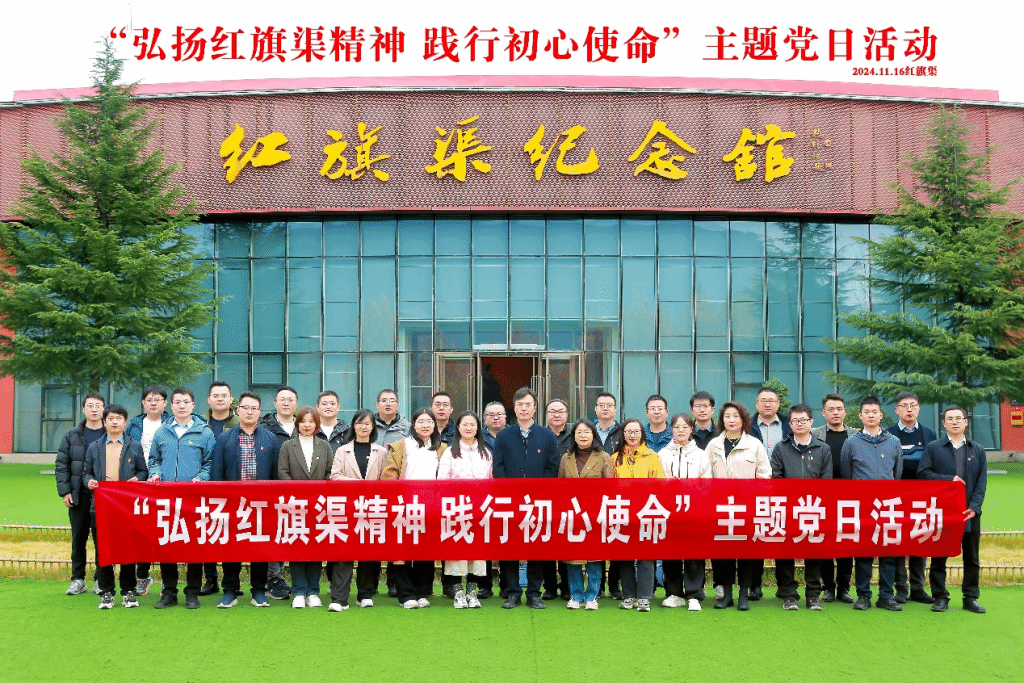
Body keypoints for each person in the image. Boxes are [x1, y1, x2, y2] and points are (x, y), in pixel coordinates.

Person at [210, 391, 281, 609]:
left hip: (261, 503)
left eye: (254, 408)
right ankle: (230, 590)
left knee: (260, 547)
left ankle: (258, 591)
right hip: (232, 502)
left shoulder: (270, 438)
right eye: (245, 408)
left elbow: (276, 474)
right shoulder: (224, 438)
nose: (249, 412)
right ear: (238, 410)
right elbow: (217, 472)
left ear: (259, 412)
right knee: (231, 546)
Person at [148, 386, 216, 609]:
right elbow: (154, 460)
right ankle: (169, 592)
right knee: (167, 545)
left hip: (194, 498)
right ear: (171, 406)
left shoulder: (204, 433)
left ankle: (192, 592)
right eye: (177, 402)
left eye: (186, 402)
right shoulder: (162, 432)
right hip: (166, 498)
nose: (182, 406)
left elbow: (210, 462)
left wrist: (201, 478)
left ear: (193, 405)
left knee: (194, 546)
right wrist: (155, 473)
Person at [492, 387, 559, 610]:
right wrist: (509, 491)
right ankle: (513, 592)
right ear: (514, 407)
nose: (523, 408)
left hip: (538, 500)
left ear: (534, 408)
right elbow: (498, 467)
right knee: (510, 546)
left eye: (528, 404)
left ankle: (533, 593)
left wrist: (538, 490)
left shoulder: (547, 436)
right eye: (519, 404)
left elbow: (552, 467)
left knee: (535, 547)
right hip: (510, 500)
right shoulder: (504, 436)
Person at [919, 406, 987, 614]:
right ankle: (940, 596)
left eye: (959, 418)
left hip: (969, 512)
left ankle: (970, 597)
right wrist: (949, 480)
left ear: (966, 422)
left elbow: (981, 482)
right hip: (943, 511)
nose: (955, 422)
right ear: (944, 423)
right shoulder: (934, 447)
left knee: (971, 557)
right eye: (950, 419)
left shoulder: (977, 449)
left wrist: (974, 507)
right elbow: (924, 473)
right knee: (939, 555)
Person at [841, 396, 904, 612]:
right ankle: (863, 595)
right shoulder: (851, 443)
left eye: (874, 412)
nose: (870, 415)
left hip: (888, 504)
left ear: (881, 415)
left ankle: (886, 596)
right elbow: (847, 474)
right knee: (864, 551)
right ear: (860, 416)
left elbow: (897, 473)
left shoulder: (893, 442)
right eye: (866, 412)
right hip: (863, 505)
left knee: (888, 553)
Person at [706, 401, 770, 611]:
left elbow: (764, 474)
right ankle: (726, 595)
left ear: (743, 420)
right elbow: (705, 475)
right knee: (723, 553)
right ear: (721, 420)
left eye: (735, 416)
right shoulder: (713, 445)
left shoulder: (755, 444)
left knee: (746, 553)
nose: (731, 420)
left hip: (747, 506)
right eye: (727, 416)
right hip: (721, 507)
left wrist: (754, 498)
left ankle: (744, 594)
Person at [381, 408, 448, 609]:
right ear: (413, 424)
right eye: (421, 421)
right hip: (404, 505)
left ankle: (421, 591)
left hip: (431, 506)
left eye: (429, 422)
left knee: (425, 550)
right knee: (402, 551)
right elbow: (389, 476)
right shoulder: (401, 446)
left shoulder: (442, 448)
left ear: (434, 425)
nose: (425, 425)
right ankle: (406, 594)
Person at [84, 404, 148, 609]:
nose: (114, 422)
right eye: (110, 418)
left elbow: (143, 472)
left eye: (119, 418)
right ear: (104, 422)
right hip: (101, 505)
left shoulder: (134, 445)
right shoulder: (94, 447)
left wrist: (138, 479)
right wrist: (89, 482)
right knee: (103, 549)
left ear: (125, 422)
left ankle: (128, 591)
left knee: (128, 548)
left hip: (126, 506)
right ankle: (107, 592)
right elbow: (86, 473)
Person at [770, 403, 832, 611]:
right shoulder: (781, 448)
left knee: (814, 551)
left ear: (811, 422)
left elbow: (826, 481)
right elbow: (776, 478)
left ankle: (813, 594)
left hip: (814, 508)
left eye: (803, 420)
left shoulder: (823, 448)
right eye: (795, 421)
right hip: (788, 508)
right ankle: (789, 593)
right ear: (790, 424)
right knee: (785, 551)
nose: (799, 424)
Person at [329, 409, 389, 610]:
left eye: (367, 424)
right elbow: (335, 476)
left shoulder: (381, 452)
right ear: (353, 426)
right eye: (359, 423)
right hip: (347, 507)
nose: (363, 427)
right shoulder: (342, 450)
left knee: (369, 552)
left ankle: (365, 593)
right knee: (343, 552)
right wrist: (358, 485)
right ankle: (339, 598)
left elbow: (385, 479)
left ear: (373, 427)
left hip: (372, 508)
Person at [279, 406, 334, 609]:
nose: (307, 425)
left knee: (315, 549)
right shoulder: (287, 446)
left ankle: (313, 592)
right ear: (297, 424)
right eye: (303, 421)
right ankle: (299, 591)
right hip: (295, 505)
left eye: (311, 421)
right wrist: (299, 493)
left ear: (317, 424)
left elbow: (330, 473)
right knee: (297, 548)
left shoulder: (324, 446)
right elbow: (283, 473)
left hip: (319, 506)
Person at [886, 390, 938, 604]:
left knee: (920, 539)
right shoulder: (888, 434)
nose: (909, 409)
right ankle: (901, 588)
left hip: (921, 496)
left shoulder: (930, 434)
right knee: (898, 541)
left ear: (919, 409)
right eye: (904, 405)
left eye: (913, 405)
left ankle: (918, 588)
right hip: (896, 496)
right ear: (896, 410)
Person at [438, 411, 493, 609]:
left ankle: (472, 592)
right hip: (456, 509)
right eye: (465, 424)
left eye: (472, 425)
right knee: (457, 551)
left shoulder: (486, 452)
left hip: (479, 509)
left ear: (478, 428)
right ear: (458, 428)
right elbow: (442, 481)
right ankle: (458, 593)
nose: (468, 428)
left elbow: (491, 480)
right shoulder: (449, 452)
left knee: (476, 552)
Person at [557, 420, 613, 611]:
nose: (583, 435)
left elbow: (610, 487)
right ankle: (576, 595)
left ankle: (592, 596)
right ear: (573, 436)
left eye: (587, 432)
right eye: (579, 432)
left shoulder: (603, 457)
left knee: (594, 558)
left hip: (595, 514)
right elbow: (560, 486)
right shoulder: (566, 458)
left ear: (593, 435)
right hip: (572, 514)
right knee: (573, 557)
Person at [611, 418, 665, 612]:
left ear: (642, 434)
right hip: (623, 512)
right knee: (625, 556)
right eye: (628, 431)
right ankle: (628, 595)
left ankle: (644, 596)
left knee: (645, 555)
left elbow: (659, 485)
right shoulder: (615, 458)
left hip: (646, 511)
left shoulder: (652, 457)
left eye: (636, 431)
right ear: (623, 434)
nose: (632, 435)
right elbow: (610, 486)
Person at [658, 413, 711, 611]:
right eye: (677, 427)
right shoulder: (663, 454)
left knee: (694, 554)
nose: (681, 430)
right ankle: (673, 593)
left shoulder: (701, 454)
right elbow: (658, 482)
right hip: (669, 511)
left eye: (685, 427)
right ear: (671, 429)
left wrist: (691, 489)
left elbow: (707, 483)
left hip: (694, 510)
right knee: (670, 553)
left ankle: (694, 594)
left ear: (691, 429)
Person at [55, 392, 106, 597]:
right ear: (83, 409)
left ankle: (101, 580)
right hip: (79, 495)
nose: (94, 409)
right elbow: (62, 464)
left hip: (103, 496)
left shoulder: (110, 434)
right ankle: (78, 579)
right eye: (90, 405)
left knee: (102, 539)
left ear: (103, 409)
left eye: (98, 405)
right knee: (78, 539)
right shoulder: (72, 435)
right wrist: (65, 491)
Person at [811, 393, 858, 604]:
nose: (836, 413)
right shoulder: (814, 435)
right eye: (831, 409)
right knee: (825, 542)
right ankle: (828, 587)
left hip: (850, 497)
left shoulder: (856, 435)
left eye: (839, 409)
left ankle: (844, 587)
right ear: (824, 413)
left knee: (846, 543)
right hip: (823, 497)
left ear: (845, 412)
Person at [746, 387, 792, 600]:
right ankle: (754, 585)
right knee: (755, 535)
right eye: (763, 400)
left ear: (778, 404)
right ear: (757, 404)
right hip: (754, 487)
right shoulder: (747, 425)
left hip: (784, 486)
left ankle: (785, 585)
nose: (767, 404)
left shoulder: (788, 424)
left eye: (771, 400)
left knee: (783, 535)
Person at [124, 384, 169, 597]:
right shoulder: (134, 425)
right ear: (143, 403)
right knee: (141, 531)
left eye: (157, 399)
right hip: (139, 483)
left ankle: (167, 580)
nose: (153, 403)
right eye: (149, 399)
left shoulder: (171, 423)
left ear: (165, 403)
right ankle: (143, 576)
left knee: (165, 531)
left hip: (164, 484)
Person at [199, 380, 237, 595]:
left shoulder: (240, 422)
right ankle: (210, 578)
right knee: (208, 531)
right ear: (209, 399)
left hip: (232, 484)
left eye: (224, 395)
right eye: (216, 395)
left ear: (231, 399)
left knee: (233, 532)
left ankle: (232, 582)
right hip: (205, 484)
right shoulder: (199, 422)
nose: (220, 399)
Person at [374, 389, 411, 598]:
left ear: (398, 405)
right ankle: (370, 583)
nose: (388, 404)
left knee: (396, 535)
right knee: (374, 534)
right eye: (384, 400)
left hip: (399, 490)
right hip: (371, 489)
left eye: (392, 400)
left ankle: (394, 581)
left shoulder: (408, 428)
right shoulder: (368, 425)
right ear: (377, 404)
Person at [592, 391, 622, 598]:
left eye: (609, 405)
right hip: (593, 494)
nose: (605, 408)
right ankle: (599, 585)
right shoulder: (588, 431)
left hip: (617, 493)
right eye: (601, 405)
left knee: (616, 538)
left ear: (615, 409)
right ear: (595, 409)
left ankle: (614, 585)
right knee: (597, 539)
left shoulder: (623, 431)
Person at [544, 397, 573, 599]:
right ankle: (549, 587)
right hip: (544, 496)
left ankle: (567, 586)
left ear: (567, 415)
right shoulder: (540, 435)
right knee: (546, 541)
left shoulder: (575, 435)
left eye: (560, 411)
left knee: (565, 541)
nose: (556, 415)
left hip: (568, 497)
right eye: (552, 411)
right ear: (546, 415)